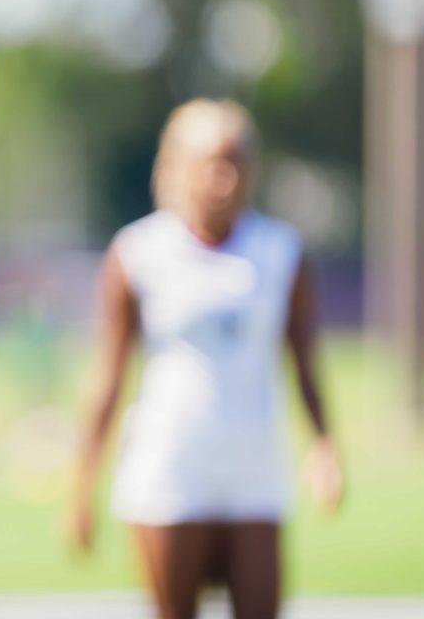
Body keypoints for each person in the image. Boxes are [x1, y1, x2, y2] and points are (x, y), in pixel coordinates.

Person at [67, 100, 343, 619]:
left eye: (235, 161)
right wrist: (83, 485)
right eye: (210, 162)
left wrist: (324, 445)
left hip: (254, 468)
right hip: (170, 468)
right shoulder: (138, 252)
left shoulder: (282, 251)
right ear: (174, 167)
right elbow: (108, 374)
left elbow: (305, 361)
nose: (223, 177)